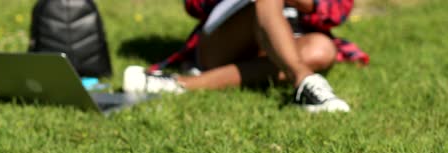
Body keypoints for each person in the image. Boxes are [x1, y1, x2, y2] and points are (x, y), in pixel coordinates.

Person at [122, 0, 369, 113]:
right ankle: (304, 80)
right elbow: (194, 6)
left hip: (289, 42)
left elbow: (337, 11)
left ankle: (180, 83)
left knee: (322, 50)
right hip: (225, 41)